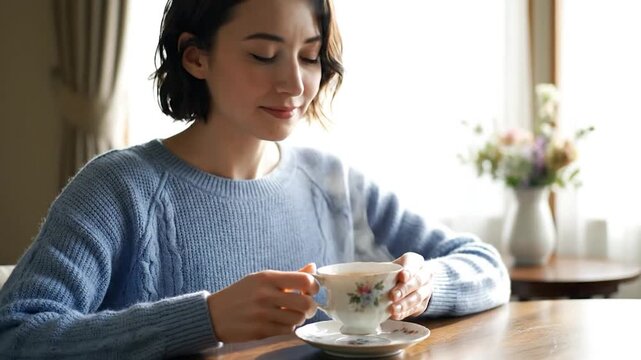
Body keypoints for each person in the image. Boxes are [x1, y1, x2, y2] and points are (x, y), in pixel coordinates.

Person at [0, 0, 511, 358]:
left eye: (309, 56)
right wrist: (206, 319)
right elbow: (16, 334)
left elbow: (489, 268)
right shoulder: (119, 189)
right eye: (263, 55)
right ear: (195, 56)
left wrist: (424, 286)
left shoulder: (331, 181)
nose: (294, 83)